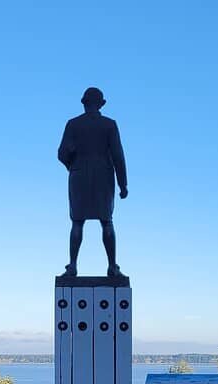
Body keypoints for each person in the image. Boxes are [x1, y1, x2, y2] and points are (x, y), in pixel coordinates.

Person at [57, 87, 128, 277]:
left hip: (79, 177)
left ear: (84, 103)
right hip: (103, 177)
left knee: (77, 222)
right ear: (101, 103)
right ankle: (112, 266)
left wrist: (73, 164)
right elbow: (118, 156)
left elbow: (61, 154)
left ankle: (72, 265)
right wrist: (123, 184)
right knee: (107, 221)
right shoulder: (109, 125)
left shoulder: (73, 125)